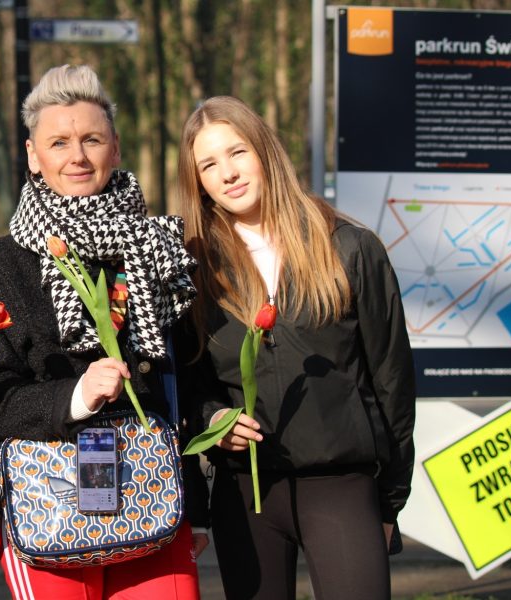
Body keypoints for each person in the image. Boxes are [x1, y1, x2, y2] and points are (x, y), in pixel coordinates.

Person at [0, 64, 209, 600]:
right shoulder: (4, 263)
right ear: (33, 155)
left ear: (116, 148)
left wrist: (195, 506)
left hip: (154, 501)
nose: (77, 156)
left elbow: (184, 381)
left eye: (92, 140)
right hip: (49, 505)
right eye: (58, 142)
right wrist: (76, 396)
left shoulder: (157, 247)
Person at [176, 95, 415, 599]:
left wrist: (390, 501)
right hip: (247, 493)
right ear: (197, 181)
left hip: (342, 487)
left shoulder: (350, 248)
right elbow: (189, 385)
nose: (227, 173)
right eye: (208, 165)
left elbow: (392, 380)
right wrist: (214, 421)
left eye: (237, 152)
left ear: (265, 150)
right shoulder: (192, 268)